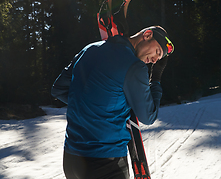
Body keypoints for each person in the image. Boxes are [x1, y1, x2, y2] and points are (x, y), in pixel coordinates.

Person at [51, 26, 174, 179]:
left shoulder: (89, 49)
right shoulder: (135, 66)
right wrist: (155, 80)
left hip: (71, 159)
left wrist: (90, 104)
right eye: (157, 52)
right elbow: (148, 116)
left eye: (159, 59)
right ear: (147, 35)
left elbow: (58, 89)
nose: (155, 60)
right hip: (105, 162)